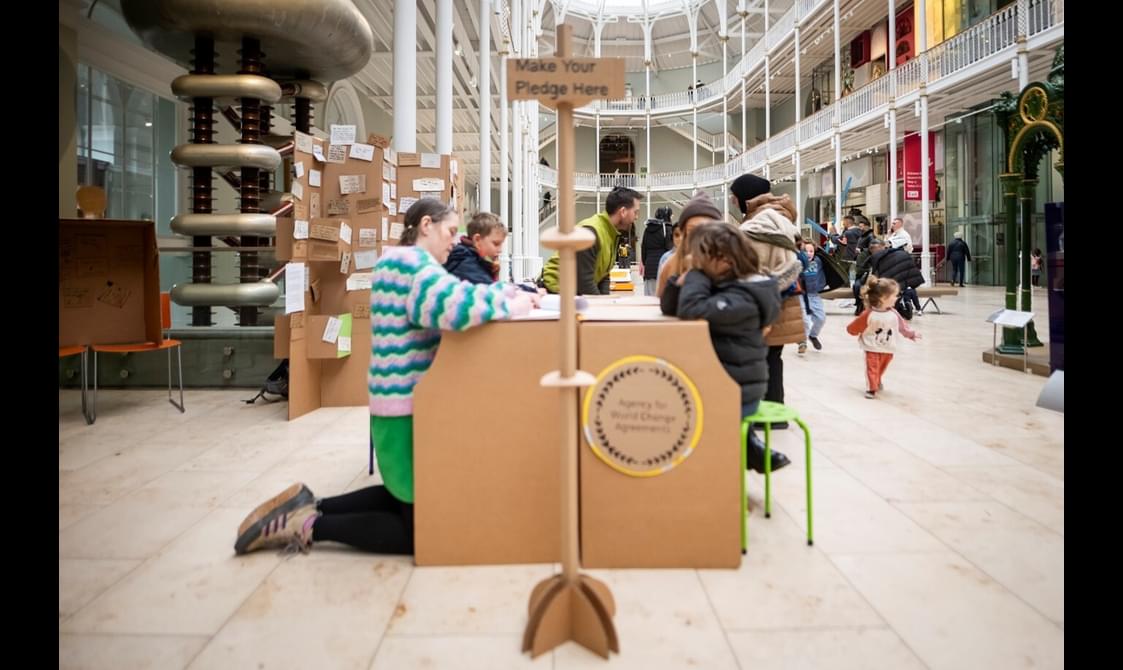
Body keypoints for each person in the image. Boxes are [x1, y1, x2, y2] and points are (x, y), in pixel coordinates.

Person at [234, 199, 537, 556]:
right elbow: (454, 309)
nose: (456, 241)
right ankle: (305, 524)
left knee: (410, 492)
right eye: (451, 232)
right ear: (427, 225)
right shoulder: (413, 265)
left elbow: (459, 293)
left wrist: (506, 292)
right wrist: (512, 304)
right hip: (402, 406)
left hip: (398, 401)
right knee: (420, 529)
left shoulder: (401, 261)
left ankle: (311, 503)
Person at [659, 221, 785, 472]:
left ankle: (743, 455)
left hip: (735, 393)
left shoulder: (746, 295)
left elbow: (691, 310)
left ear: (723, 259)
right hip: (720, 384)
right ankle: (751, 448)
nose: (694, 262)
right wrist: (681, 282)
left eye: (699, 259)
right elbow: (670, 307)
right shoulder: (728, 285)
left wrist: (695, 276)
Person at [730, 173, 803, 432]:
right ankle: (775, 410)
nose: (732, 200)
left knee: (761, 358)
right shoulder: (780, 217)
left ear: (745, 198)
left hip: (765, 302)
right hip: (783, 300)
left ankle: (767, 413)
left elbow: (753, 268)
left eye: (735, 197)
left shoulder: (760, 224)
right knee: (773, 357)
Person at [540, 186, 643, 295]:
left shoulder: (611, 233)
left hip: (573, 293)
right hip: (554, 291)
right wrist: (599, 307)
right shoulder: (592, 231)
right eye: (635, 212)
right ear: (623, 212)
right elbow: (584, 281)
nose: (636, 217)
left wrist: (604, 302)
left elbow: (604, 275)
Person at [846, 276, 921, 399]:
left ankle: (877, 379)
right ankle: (871, 388)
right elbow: (856, 325)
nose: (896, 298)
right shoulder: (869, 314)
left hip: (888, 347)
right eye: (894, 295)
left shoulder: (894, 313)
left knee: (881, 367)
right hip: (871, 346)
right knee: (872, 366)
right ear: (883, 298)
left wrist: (911, 334)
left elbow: (902, 326)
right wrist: (852, 331)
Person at [641, 206, 674, 296]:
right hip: (663, 266)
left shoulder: (647, 229)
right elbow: (670, 249)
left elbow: (643, 248)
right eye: (671, 215)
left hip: (649, 267)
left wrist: (645, 263)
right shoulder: (668, 229)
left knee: (649, 297)